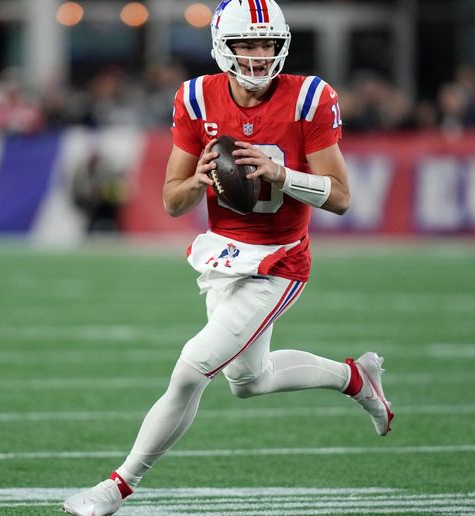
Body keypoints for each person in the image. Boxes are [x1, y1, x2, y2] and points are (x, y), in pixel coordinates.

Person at [62, 1, 394, 514]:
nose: (259, 57)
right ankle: (356, 378)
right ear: (223, 47)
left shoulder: (310, 97)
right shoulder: (196, 97)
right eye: (247, 44)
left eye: (268, 44)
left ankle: (117, 487)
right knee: (248, 381)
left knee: (191, 370)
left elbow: (342, 197)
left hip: (278, 260)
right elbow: (172, 201)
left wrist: (282, 175)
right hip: (223, 254)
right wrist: (195, 183)